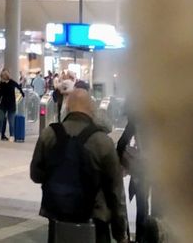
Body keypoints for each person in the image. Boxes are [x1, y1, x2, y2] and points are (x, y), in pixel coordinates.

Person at [29, 88, 127, 243]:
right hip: (95, 222)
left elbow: (35, 174)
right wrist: (120, 232)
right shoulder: (102, 141)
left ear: (67, 108)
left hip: (58, 220)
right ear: (92, 110)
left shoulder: (49, 134)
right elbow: (116, 193)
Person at [0, 68, 24, 141]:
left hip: (11, 105)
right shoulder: (2, 84)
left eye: (2, 78)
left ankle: (12, 135)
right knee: (0, 120)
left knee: (11, 121)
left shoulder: (12, 83)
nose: (1, 79)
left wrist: (22, 95)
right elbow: (0, 93)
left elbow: (19, 88)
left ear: (5, 77)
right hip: (3, 104)